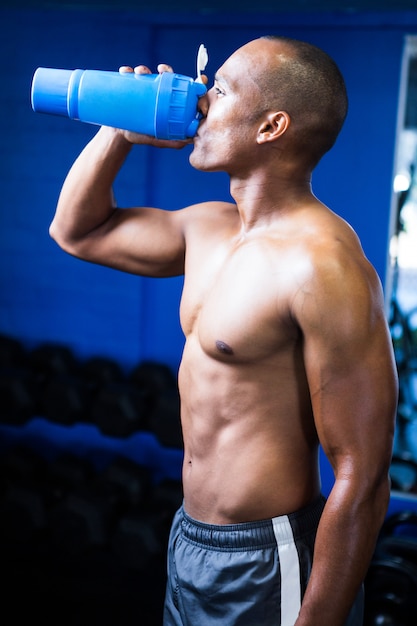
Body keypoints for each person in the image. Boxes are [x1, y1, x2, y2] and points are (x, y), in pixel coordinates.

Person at [49, 35, 398, 626]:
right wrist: (118, 129)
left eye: (220, 88)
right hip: (189, 537)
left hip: (269, 555)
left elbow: (361, 477)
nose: (200, 101)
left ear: (271, 127)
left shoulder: (323, 266)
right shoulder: (208, 229)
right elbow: (76, 232)